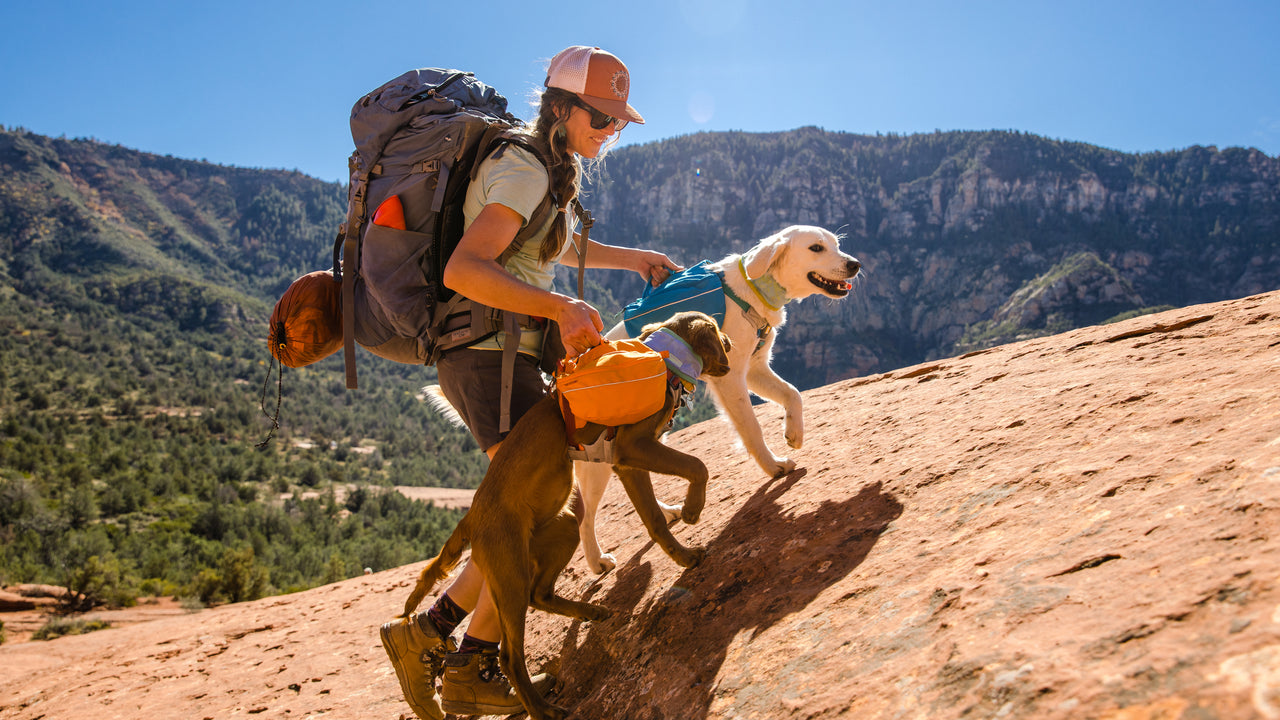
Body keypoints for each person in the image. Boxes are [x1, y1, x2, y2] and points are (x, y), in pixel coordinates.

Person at [380, 46, 679, 719]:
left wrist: (629, 259)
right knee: (532, 517)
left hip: (502, 355)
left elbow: (545, 243)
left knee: (528, 514)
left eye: (617, 122)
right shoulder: (522, 166)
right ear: (563, 107)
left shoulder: (541, 167)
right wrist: (560, 307)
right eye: (601, 119)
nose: (610, 132)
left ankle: (439, 645)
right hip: (489, 358)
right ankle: (459, 659)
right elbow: (464, 268)